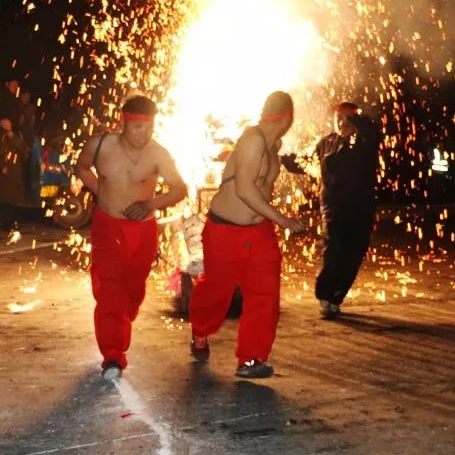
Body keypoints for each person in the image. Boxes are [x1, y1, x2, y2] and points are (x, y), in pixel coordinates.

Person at [188, 91, 306, 379]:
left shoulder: (273, 146)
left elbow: (264, 188)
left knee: (266, 294)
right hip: (225, 230)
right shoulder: (252, 139)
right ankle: (200, 330)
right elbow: (244, 190)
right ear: (288, 118)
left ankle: (251, 359)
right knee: (217, 290)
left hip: (259, 231)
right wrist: (283, 220)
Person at [74, 95, 187, 382]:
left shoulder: (158, 154)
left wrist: (151, 204)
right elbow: (81, 167)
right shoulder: (99, 145)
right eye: (138, 128)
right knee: (110, 290)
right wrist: (99, 189)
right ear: (124, 122)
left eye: (149, 128)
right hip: (107, 228)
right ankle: (113, 355)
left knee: (132, 293)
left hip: (142, 232)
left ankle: (123, 318)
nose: (144, 134)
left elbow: (179, 189)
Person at [311, 102, 380, 319]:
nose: (341, 122)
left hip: (361, 205)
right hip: (334, 205)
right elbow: (310, 166)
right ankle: (325, 295)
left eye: (345, 118)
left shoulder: (365, 140)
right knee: (335, 248)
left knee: (354, 252)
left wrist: (356, 119)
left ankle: (336, 297)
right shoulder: (326, 142)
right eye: (337, 118)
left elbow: (372, 131)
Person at [0, 117, 29, 229]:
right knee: (1, 201)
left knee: (12, 201)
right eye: (6, 126)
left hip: (14, 174)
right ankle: (0, 223)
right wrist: (1, 166)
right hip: (1, 175)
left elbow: (24, 150)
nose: (9, 128)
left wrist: (14, 138)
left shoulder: (15, 137)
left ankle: (10, 223)